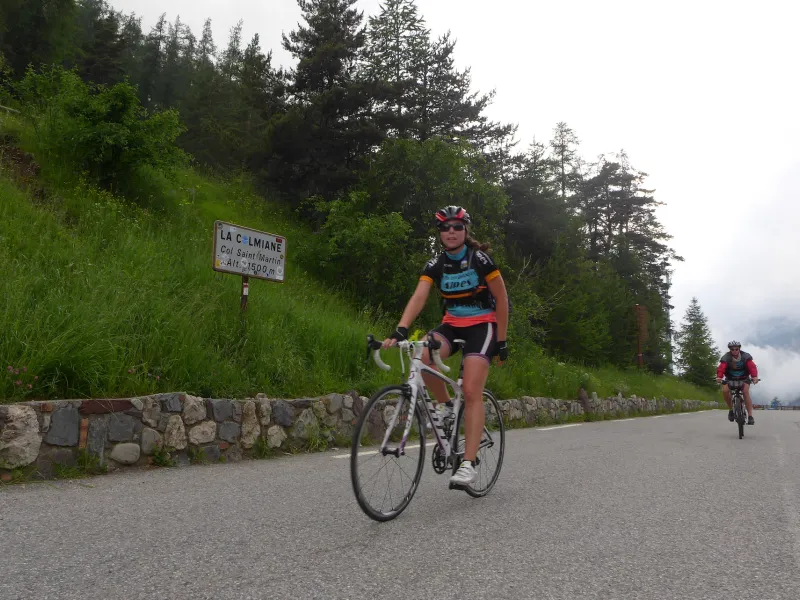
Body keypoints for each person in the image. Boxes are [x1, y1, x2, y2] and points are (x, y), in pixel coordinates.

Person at [382, 205, 509, 486]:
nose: (451, 232)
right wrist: (401, 329)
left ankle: (468, 463)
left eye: (457, 227)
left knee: (472, 390)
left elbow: (502, 299)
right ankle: (447, 405)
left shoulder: (481, 260)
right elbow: (418, 297)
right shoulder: (435, 265)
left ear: (465, 231)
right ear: (439, 233)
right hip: (452, 324)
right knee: (421, 353)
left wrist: (501, 340)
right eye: (445, 227)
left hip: (483, 326)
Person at [715, 341, 760, 425]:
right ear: (730, 350)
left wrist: (754, 377)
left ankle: (750, 416)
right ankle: (731, 410)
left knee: (746, 392)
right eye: (732, 349)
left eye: (736, 349)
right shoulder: (726, 357)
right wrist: (719, 377)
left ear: (739, 349)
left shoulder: (745, 356)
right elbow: (721, 368)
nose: (734, 351)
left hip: (744, 378)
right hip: (730, 378)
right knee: (725, 391)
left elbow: (752, 367)